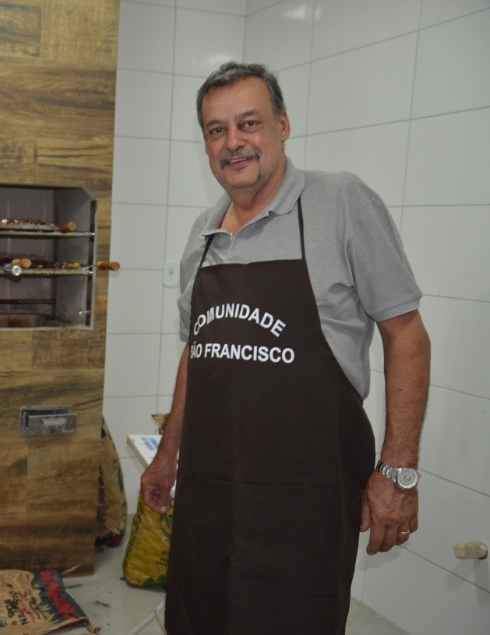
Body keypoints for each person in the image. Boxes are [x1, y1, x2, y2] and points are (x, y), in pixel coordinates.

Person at [140, 62, 430, 633]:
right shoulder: (204, 232)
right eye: (216, 130)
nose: (233, 142)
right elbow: (197, 352)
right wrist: (168, 453)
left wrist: (398, 472)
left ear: (282, 126)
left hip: (308, 495)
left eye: (249, 123)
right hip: (211, 490)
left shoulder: (342, 203)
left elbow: (407, 334)